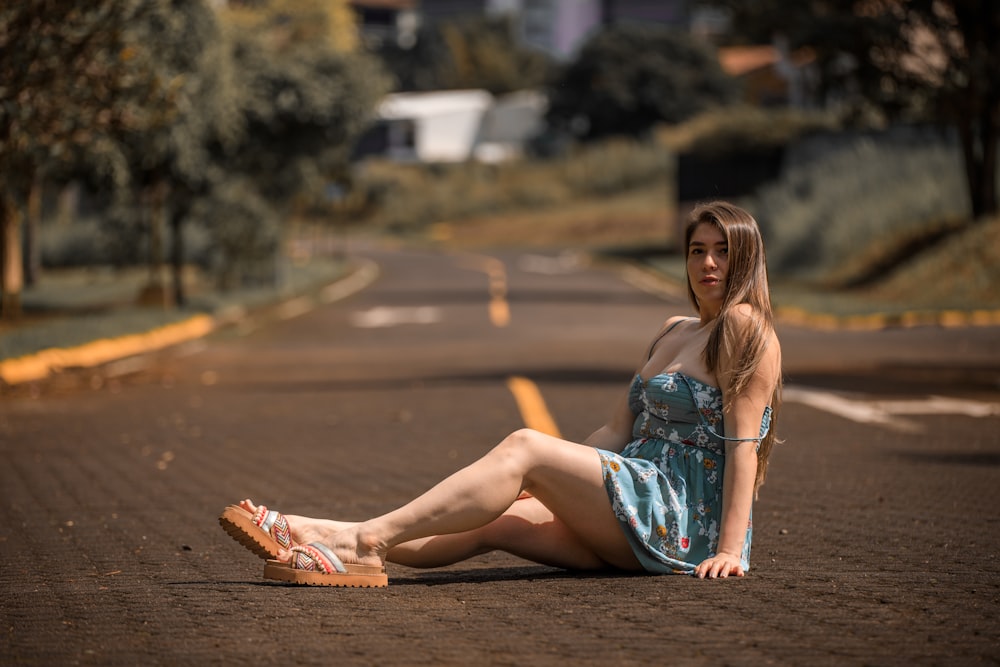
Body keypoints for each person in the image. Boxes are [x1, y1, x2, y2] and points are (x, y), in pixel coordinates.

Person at [219, 201, 783, 587]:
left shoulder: (743, 327)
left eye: (722, 251)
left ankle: (361, 542)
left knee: (525, 446)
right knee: (495, 519)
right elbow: (615, 432)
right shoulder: (673, 330)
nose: (707, 263)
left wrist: (731, 551)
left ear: (745, 257)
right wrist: (555, 486)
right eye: (696, 250)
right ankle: (318, 536)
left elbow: (742, 448)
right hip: (632, 502)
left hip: (680, 520)